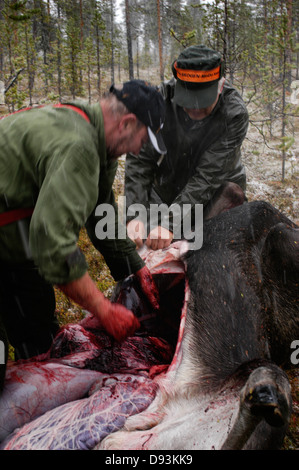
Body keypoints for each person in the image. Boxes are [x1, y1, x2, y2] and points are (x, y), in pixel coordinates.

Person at [0, 79, 166, 389]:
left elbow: (101, 212)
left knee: (44, 350)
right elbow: (52, 242)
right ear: (128, 123)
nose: (137, 151)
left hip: (16, 247)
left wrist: (134, 268)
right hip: (18, 239)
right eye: (142, 142)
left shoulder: (98, 142)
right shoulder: (79, 146)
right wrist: (104, 311)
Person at [125, 45, 249, 250]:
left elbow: (208, 176)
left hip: (217, 192)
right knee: (144, 249)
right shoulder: (159, 100)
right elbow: (139, 161)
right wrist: (134, 214)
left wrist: (169, 223)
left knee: (209, 254)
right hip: (170, 184)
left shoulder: (234, 114)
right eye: (188, 101)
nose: (195, 108)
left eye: (203, 102)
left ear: (220, 86)